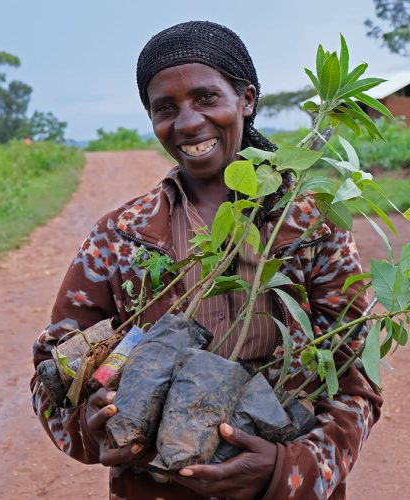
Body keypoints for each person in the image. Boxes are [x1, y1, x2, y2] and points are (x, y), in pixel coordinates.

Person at [30, 21, 381, 499]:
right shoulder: (121, 235)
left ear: (247, 100)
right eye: (165, 108)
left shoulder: (308, 227)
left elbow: (354, 384)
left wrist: (285, 471)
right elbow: (51, 371)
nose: (188, 122)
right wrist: (89, 427)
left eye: (206, 98)